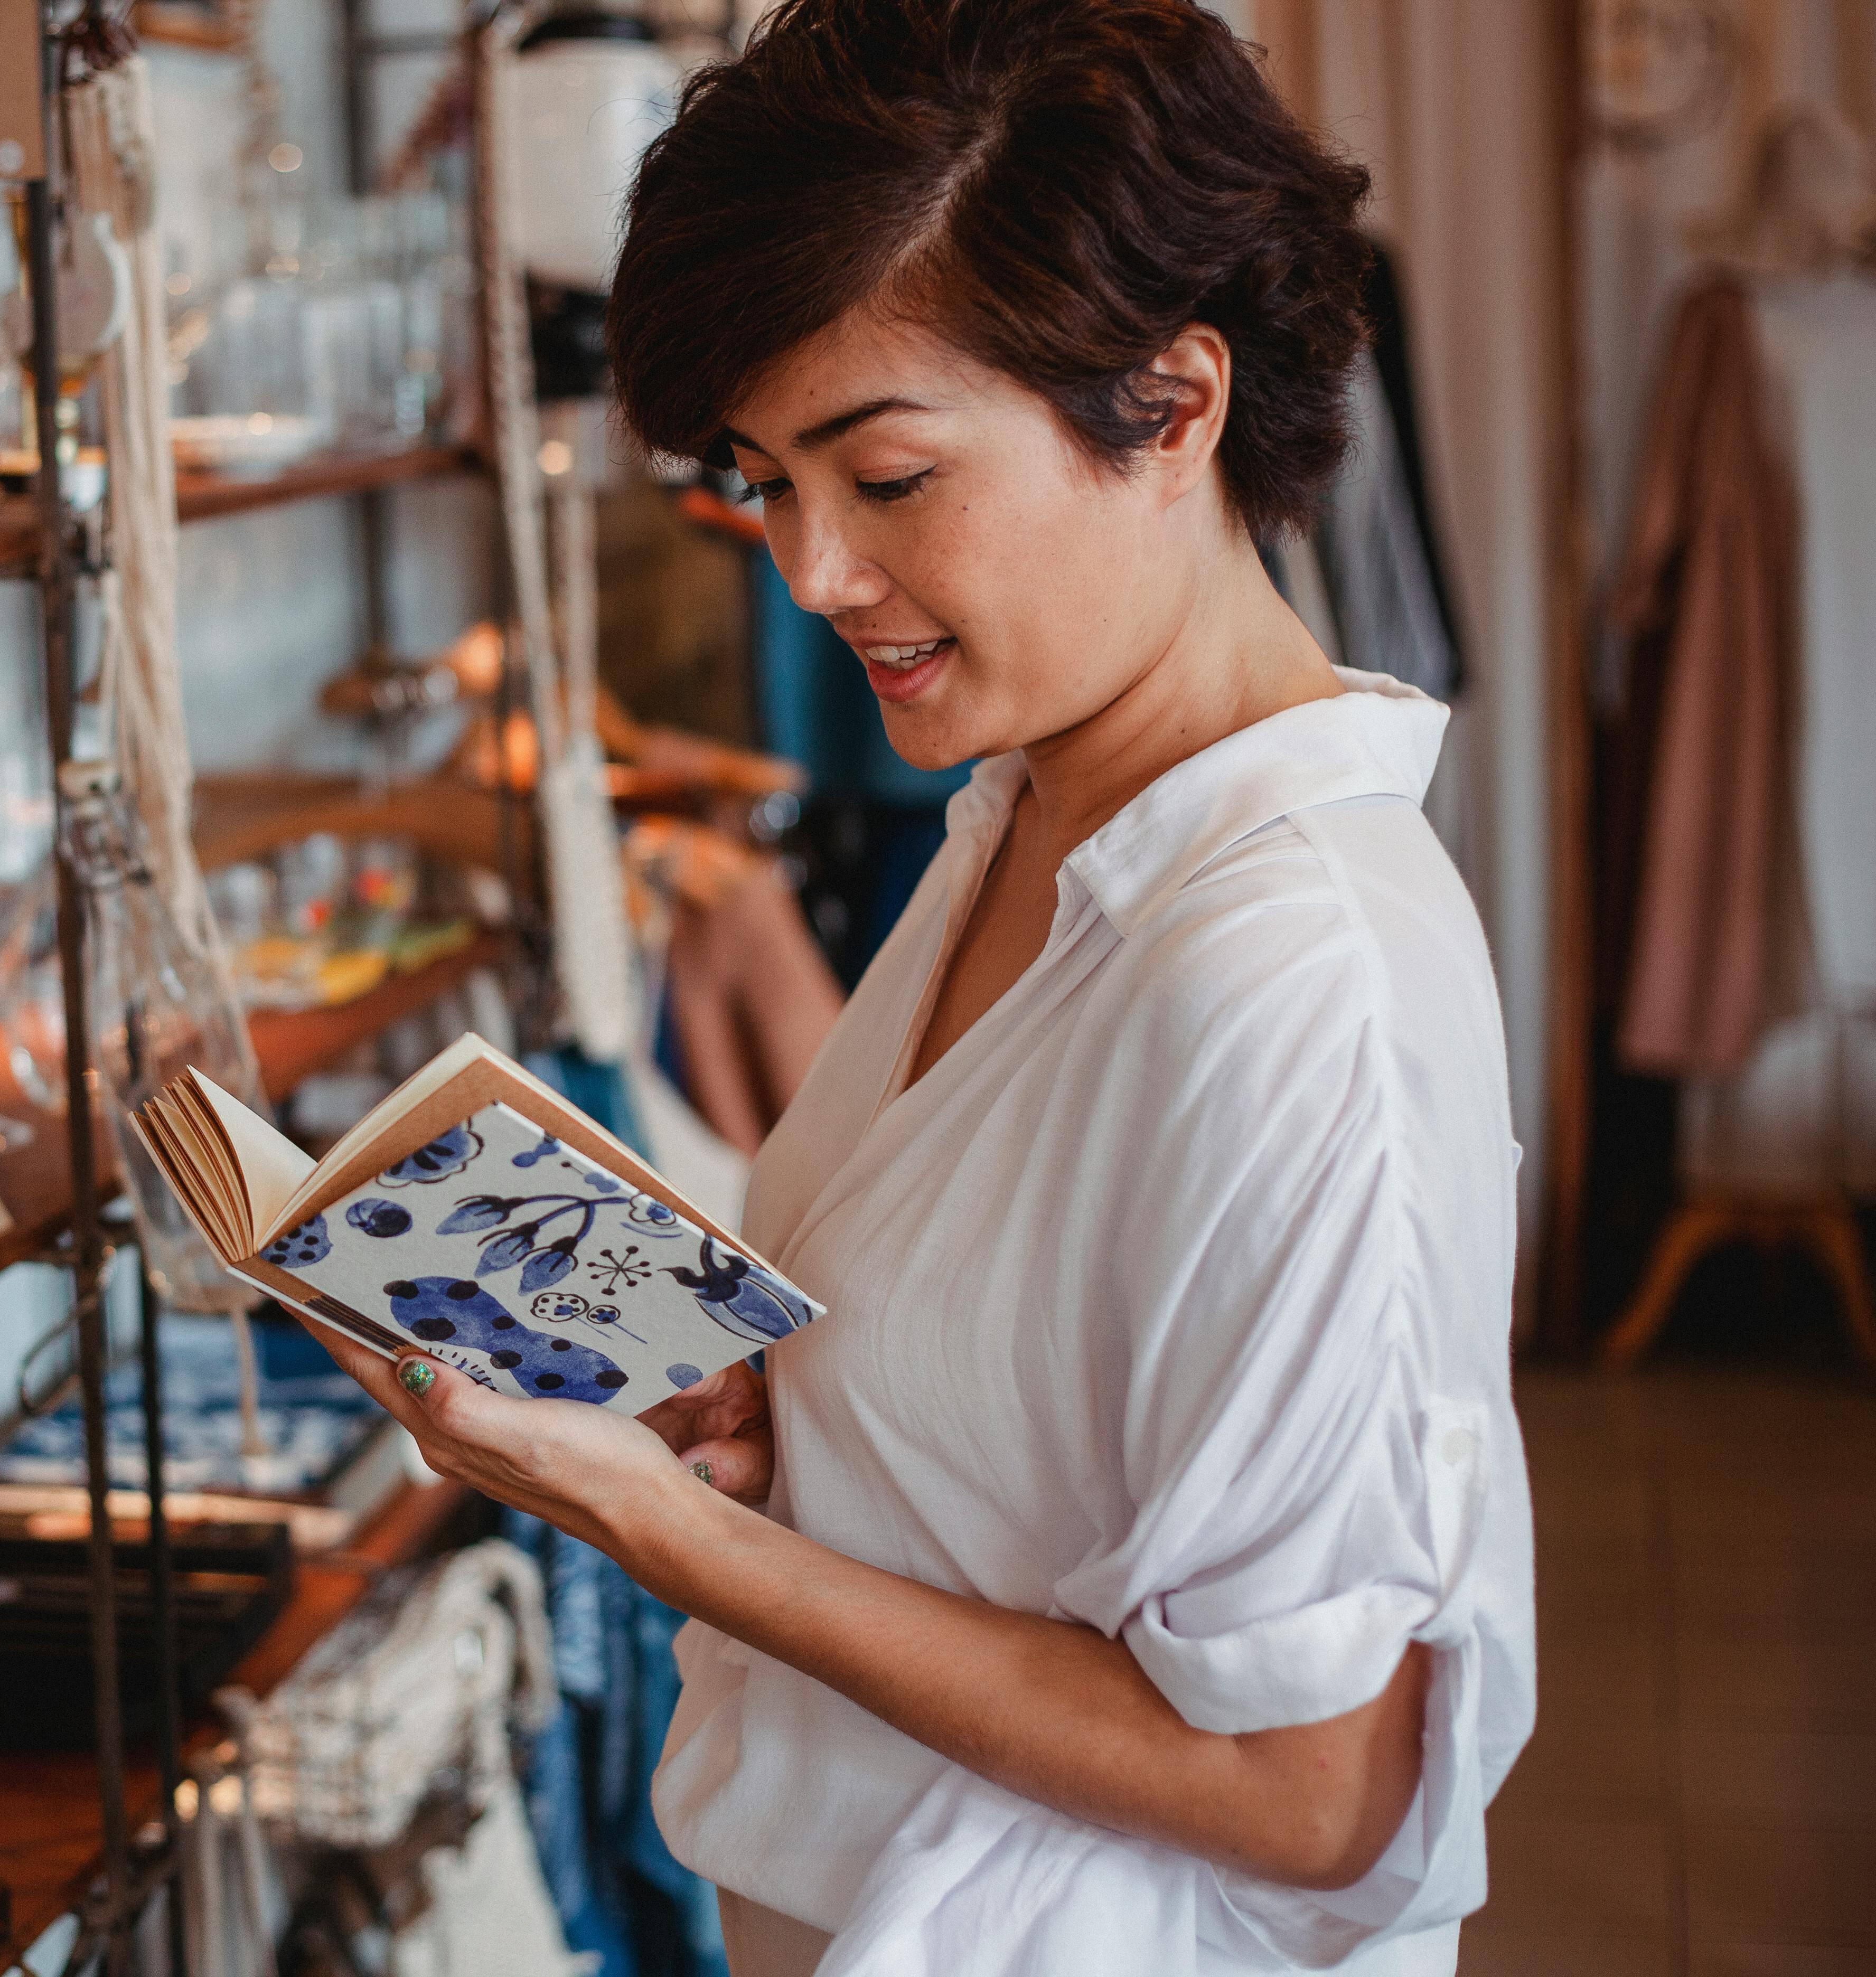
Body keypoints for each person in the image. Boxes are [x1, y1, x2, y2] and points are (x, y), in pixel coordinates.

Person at [306, 2, 1535, 1973]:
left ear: (1175, 399)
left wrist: (684, 1539)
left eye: (883, 477)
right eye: (763, 479)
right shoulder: (1022, 818)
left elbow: (1317, 1791)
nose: (809, 570)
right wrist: (786, 1412)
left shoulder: (1290, 966)